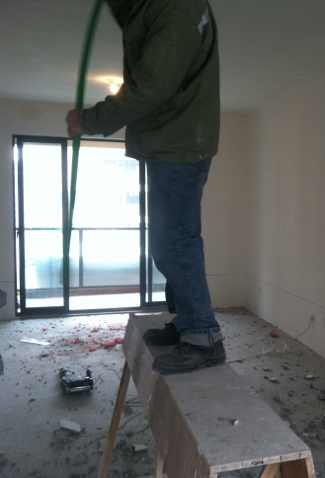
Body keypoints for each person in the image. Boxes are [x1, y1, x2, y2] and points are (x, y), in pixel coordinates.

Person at [66, 0, 225, 374]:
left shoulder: (175, 8)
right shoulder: (164, 8)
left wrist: (89, 120)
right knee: (168, 243)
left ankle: (203, 337)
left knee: (175, 242)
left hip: (178, 142)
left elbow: (150, 88)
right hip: (174, 139)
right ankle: (188, 323)